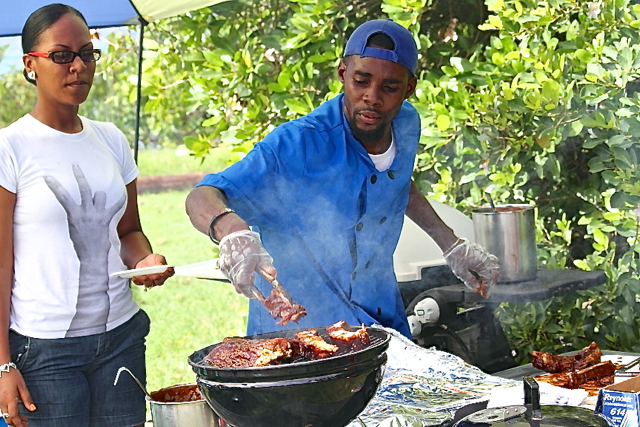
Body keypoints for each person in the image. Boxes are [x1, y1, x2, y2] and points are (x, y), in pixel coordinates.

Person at [185, 19, 499, 338]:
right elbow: (202, 196)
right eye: (361, 81)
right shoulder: (297, 144)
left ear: (409, 88)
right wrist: (233, 232)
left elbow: (397, 183)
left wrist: (451, 245)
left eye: (390, 87)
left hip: (382, 323)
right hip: (303, 336)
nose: (372, 97)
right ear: (342, 74)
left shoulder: (405, 124)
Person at [0, 4, 173, 427]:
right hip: (45, 351)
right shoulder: (10, 147)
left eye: (87, 53)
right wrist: (3, 366)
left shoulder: (110, 139)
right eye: (61, 55)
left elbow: (129, 230)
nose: (78, 65)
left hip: (121, 337)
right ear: (31, 65)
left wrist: (144, 261)